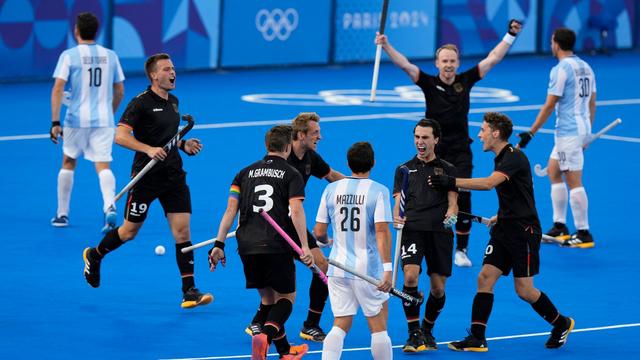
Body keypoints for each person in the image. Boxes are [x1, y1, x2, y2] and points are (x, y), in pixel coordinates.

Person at [376, 19, 523, 267]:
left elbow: (493, 58)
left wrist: (510, 34)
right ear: (437, 63)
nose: (448, 65)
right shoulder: (428, 83)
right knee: (431, 194)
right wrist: (386, 45)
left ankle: (461, 249)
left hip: (460, 151)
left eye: (452, 61)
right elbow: (405, 65)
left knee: (463, 194)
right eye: (444, 61)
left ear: (457, 62)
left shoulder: (465, 81)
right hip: (434, 151)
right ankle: (429, 237)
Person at [427, 112, 574, 352]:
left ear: (496, 133)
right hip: (505, 227)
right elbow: (516, 192)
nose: (479, 135)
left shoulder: (514, 158)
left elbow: (488, 184)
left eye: (483, 130)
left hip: (524, 232)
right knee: (485, 277)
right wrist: (501, 214)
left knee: (524, 290)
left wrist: (451, 181)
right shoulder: (502, 157)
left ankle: (562, 323)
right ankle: (477, 338)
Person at [82, 53, 212, 309]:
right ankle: (95, 255)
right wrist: (148, 149)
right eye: (166, 69)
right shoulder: (139, 103)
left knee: (183, 231)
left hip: (173, 175)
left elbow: (167, 137)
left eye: (173, 68)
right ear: (154, 75)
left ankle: (189, 291)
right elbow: (120, 137)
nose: (172, 73)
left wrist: (183, 144)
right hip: (146, 177)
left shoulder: (174, 102)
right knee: (129, 232)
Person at [208, 125, 314, 360]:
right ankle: (265, 335)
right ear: (287, 147)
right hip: (276, 244)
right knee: (286, 299)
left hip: (246, 245)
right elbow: (296, 211)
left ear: (267, 146)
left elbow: (229, 211)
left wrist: (219, 244)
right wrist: (305, 247)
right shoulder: (291, 174)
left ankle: (285, 352)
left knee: (268, 301)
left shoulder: (243, 173)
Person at [246, 112, 345, 342]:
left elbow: (330, 175)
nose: (320, 137)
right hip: (273, 227)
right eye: (315, 133)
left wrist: (358, 184)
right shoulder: (282, 159)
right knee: (277, 286)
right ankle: (260, 323)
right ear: (300, 135)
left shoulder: (311, 156)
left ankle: (310, 325)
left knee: (321, 265)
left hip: (292, 225)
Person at [517, 28, 596, 248]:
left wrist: (531, 132)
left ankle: (583, 233)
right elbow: (592, 103)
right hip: (576, 130)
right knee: (553, 171)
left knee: (574, 181)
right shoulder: (586, 67)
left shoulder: (560, 70)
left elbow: (550, 104)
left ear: (556, 44)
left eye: (552, 42)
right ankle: (560, 226)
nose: (551, 45)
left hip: (568, 133)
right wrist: (588, 131)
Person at [314, 141, 393, 360]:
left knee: (340, 324)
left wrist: (327, 241)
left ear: (348, 164)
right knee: (378, 326)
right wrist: (388, 269)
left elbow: (319, 231)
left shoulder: (331, 189)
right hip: (368, 271)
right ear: (373, 163)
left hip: (338, 267)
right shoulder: (379, 191)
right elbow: (382, 231)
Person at [50, 12, 125, 232]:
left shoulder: (69, 56)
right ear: (97, 31)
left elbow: (57, 88)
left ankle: (62, 215)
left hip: (75, 121)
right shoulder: (110, 55)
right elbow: (119, 90)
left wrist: (55, 121)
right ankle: (109, 205)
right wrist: (109, 113)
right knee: (103, 165)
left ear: (76, 31)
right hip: (104, 121)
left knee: (68, 162)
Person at [393, 119, 458, 352]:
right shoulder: (403, 169)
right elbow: (398, 202)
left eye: (425, 137)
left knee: (438, 289)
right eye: (417, 137)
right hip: (412, 231)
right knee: (410, 278)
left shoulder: (448, 170)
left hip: (440, 233)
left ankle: (427, 329)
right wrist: (397, 218)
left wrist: (451, 214)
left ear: (436, 140)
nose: (420, 142)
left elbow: (453, 203)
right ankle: (413, 333)